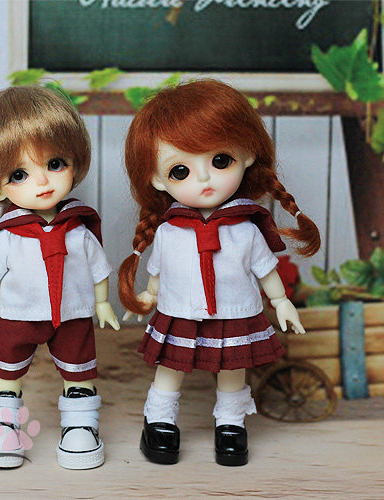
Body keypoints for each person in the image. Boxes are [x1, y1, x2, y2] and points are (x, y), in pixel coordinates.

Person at [118, 79, 320, 466]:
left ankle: (231, 425)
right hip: (179, 311)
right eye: (181, 170)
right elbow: (159, 272)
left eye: (220, 161)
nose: (204, 179)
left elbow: (266, 269)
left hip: (234, 312)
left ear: (247, 155)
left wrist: (281, 301)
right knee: (170, 369)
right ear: (157, 179)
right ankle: (160, 421)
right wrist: (148, 296)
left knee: (232, 371)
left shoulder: (246, 229)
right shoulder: (169, 231)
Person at [0, 85, 120, 469]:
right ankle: (2, 422)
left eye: (55, 164)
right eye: (19, 174)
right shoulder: (9, 235)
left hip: (72, 315)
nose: (42, 182)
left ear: (75, 160)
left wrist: (102, 302)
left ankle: (80, 424)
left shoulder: (77, 229)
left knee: (79, 369)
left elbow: (98, 268)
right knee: (7, 369)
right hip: (18, 315)